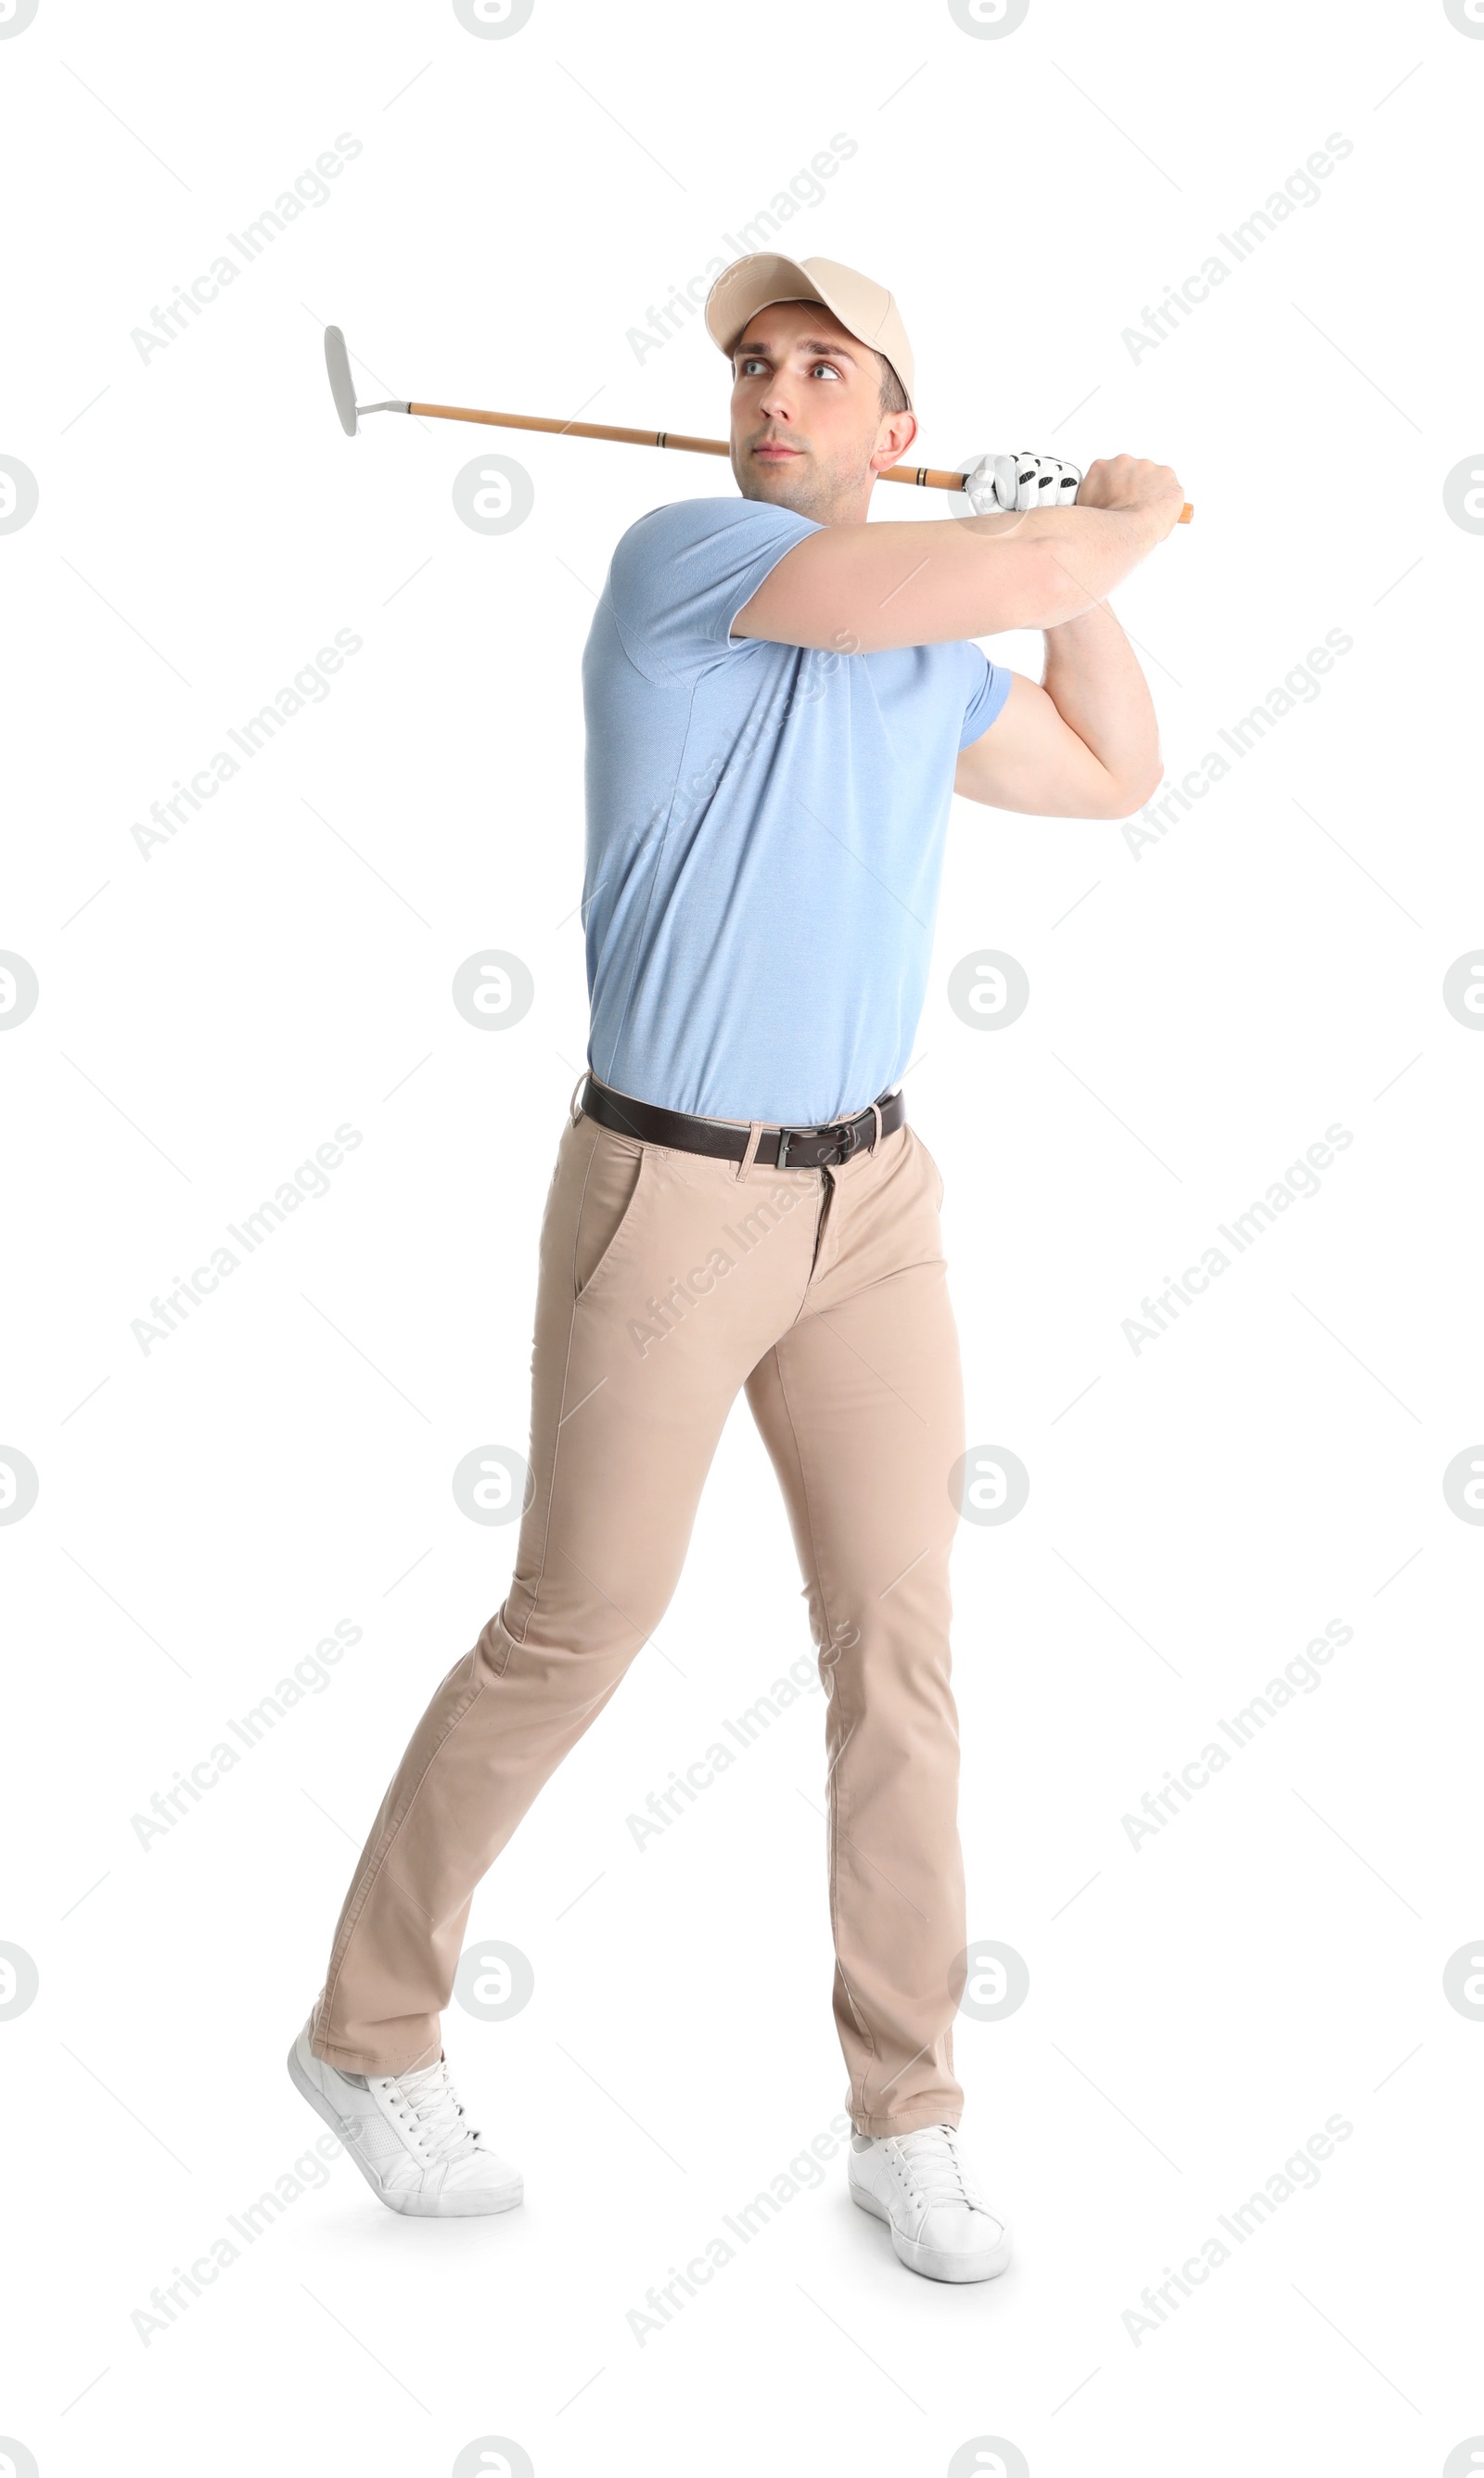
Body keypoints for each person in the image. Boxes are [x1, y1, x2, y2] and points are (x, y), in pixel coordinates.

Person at [289, 250, 1184, 2282]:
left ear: (895, 425)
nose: (768, 390)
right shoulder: (690, 558)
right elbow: (961, 580)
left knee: (899, 1649)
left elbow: (1110, 768)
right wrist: (1100, 512)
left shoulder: (932, 641)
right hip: (667, 1200)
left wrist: (1089, 566)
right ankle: (366, 2029)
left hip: (868, 1204)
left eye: (819, 369)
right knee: (574, 1627)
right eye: (751, 365)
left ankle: (908, 2112)